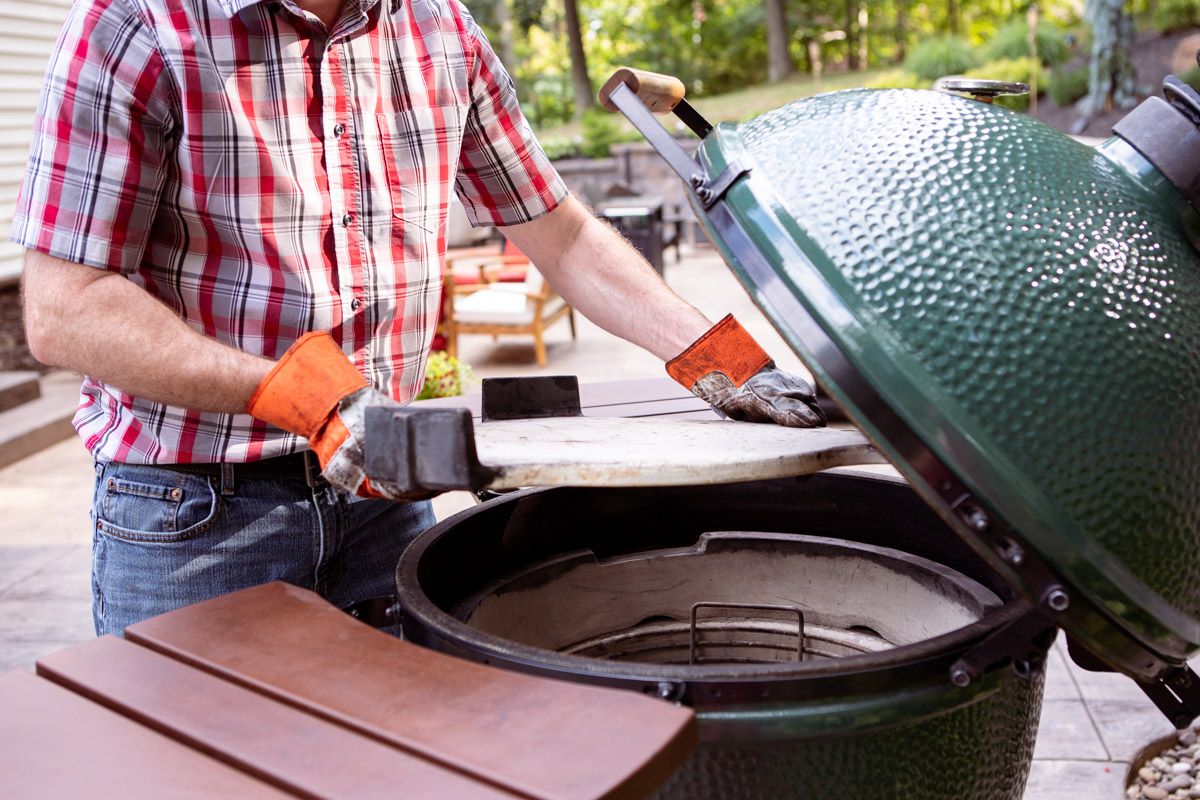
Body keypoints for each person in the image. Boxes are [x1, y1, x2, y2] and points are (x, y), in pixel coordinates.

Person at [14, 0, 824, 637]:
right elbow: (65, 308)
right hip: (195, 520)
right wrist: (306, 396)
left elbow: (563, 235)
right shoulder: (136, 26)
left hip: (385, 496)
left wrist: (721, 358)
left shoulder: (441, 29)